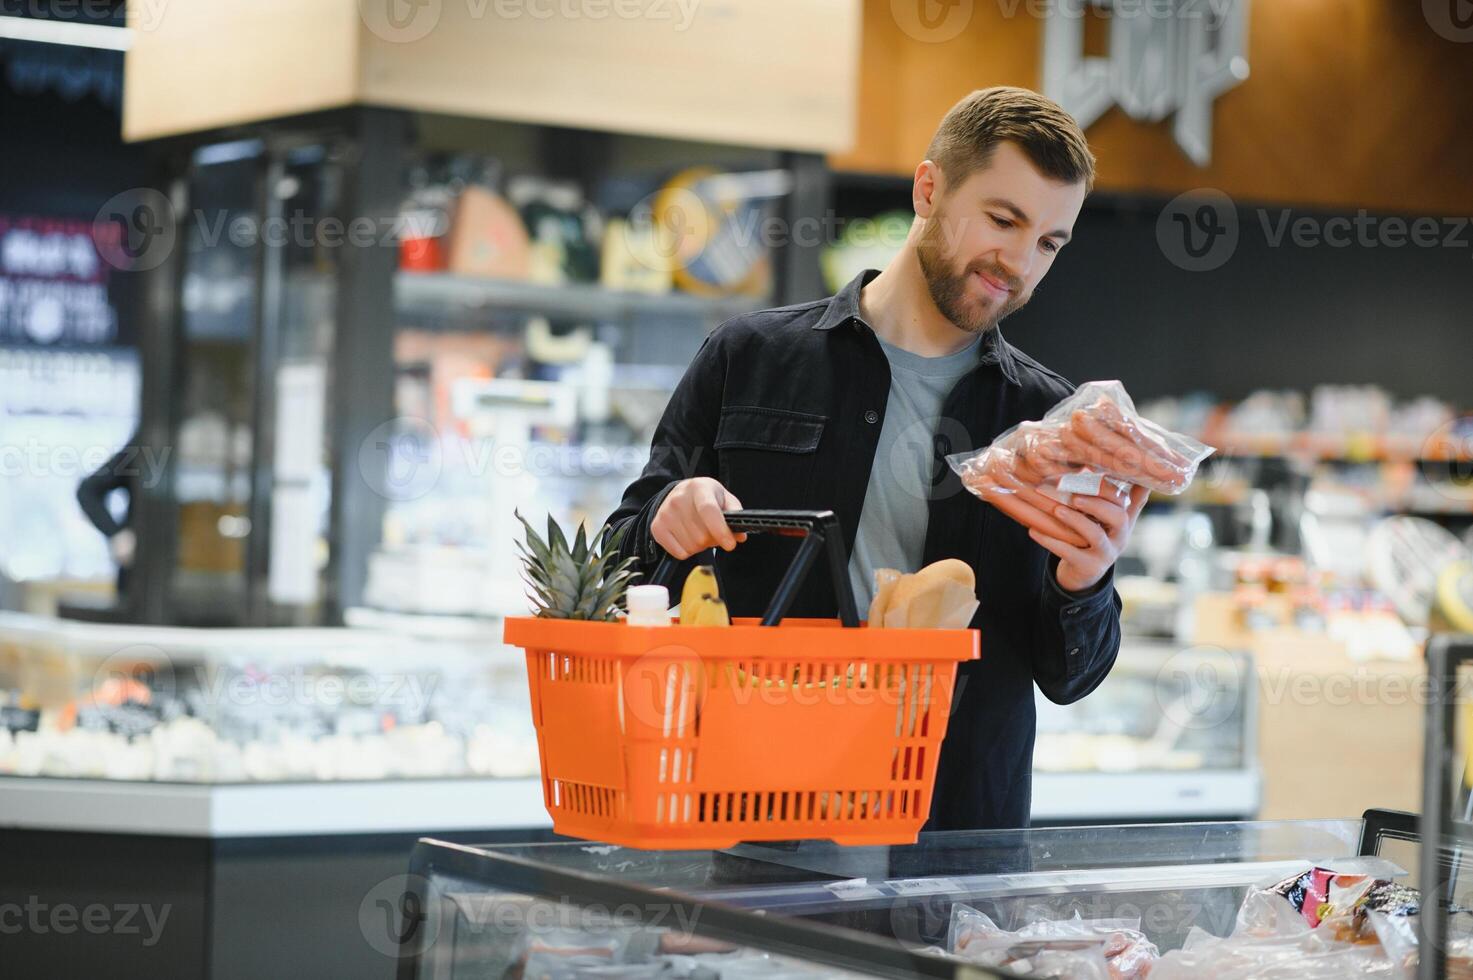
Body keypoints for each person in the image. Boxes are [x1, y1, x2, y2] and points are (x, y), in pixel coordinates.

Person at [606, 86, 1149, 831]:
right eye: (1002, 219)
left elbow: (1070, 679)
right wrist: (667, 519)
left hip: (954, 843)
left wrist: (1085, 578)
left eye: (1049, 242)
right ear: (928, 188)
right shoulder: (747, 358)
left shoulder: (1052, 424)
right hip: (759, 818)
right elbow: (618, 571)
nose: (1019, 261)